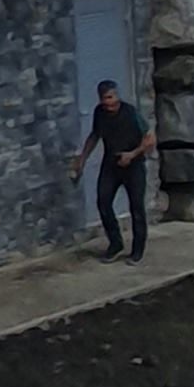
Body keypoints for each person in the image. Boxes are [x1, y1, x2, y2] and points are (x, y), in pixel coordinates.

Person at [76, 75, 150, 261]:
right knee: (103, 201)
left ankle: (137, 250)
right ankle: (115, 243)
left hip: (133, 164)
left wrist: (132, 154)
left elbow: (150, 138)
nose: (107, 103)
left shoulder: (130, 113)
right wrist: (82, 158)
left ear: (116, 96)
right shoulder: (99, 113)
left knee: (137, 208)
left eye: (110, 98)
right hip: (111, 163)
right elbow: (95, 136)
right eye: (103, 99)